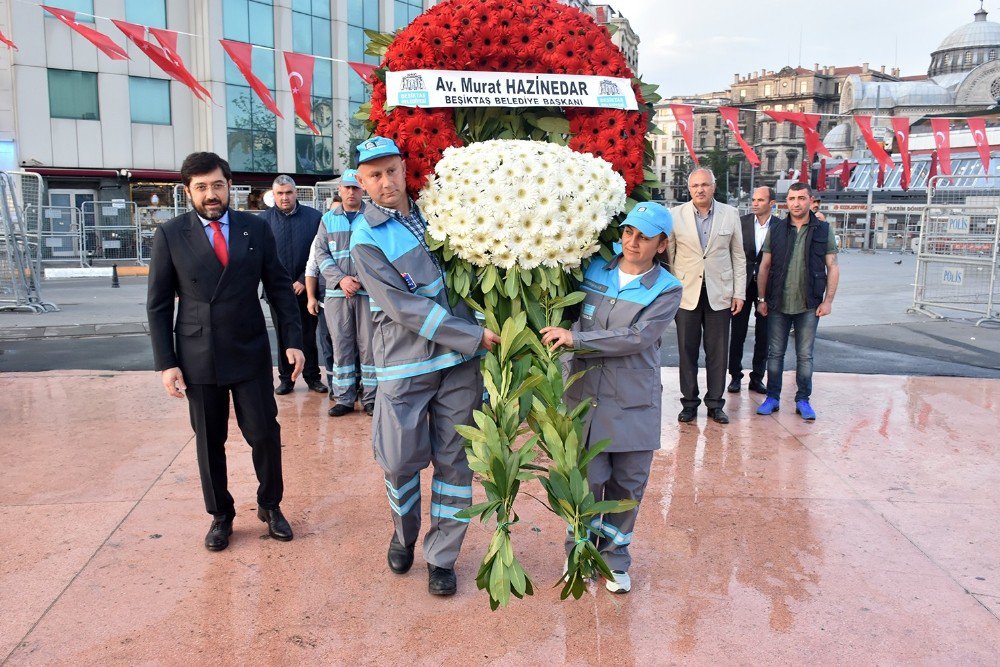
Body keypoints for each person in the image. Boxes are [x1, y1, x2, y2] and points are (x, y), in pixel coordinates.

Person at [349, 136, 500, 597]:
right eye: (375, 175)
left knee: (455, 465)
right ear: (361, 182)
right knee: (398, 462)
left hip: (459, 366)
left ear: (404, 169)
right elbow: (403, 307)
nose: (386, 181)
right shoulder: (366, 238)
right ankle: (404, 532)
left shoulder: (440, 212)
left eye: (392, 170)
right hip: (405, 366)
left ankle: (442, 558)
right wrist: (472, 335)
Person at [146, 152, 304, 551]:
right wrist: (167, 363)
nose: (211, 194)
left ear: (229, 185)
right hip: (198, 354)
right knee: (208, 440)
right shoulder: (170, 234)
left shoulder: (256, 228)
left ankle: (270, 505)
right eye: (201, 187)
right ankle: (221, 514)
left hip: (249, 349)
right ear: (188, 192)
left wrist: (292, 340)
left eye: (217, 185)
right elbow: (159, 304)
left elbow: (280, 287)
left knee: (265, 434)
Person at [541, 202, 682, 594]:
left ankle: (616, 561)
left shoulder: (667, 289)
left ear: (662, 243)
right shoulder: (594, 270)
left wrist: (577, 339)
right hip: (585, 395)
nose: (632, 242)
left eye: (644, 236)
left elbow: (638, 337)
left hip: (632, 400)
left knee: (627, 484)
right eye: (628, 233)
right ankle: (579, 555)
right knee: (586, 481)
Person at [668, 168, 746, 424]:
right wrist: (670, 290)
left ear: (714, 186)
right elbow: (670, 255)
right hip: (686, 294)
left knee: (717, 352)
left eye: (704, 184)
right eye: (694, 186)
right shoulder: (676, 215)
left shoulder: (730, 214)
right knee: (686, 350)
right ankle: (689, 403)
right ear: (689, 189)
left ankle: (715, 404)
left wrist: (739, 292)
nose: (699, 189)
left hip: (720, 294)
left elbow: (738, 256)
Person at [756, 182, 840, 421]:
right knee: (775, 354)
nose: (796, 203)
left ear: (810, 200)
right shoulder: (778, 229)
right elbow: (765, 266)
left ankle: (803, 399)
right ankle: (772, 397)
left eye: (801, 198)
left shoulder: (823, 230)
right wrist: (761, 299)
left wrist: (829, 301)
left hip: (809, 304)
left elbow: (832, 266)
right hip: (777, 303)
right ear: (787, 202)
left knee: (805, 356)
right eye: (791, 199)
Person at [314, 170, 377, 417]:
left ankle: (371, 398)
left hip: (366, 294)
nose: (351, 192)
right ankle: (344, 398)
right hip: (337, 295)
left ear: (363, 189)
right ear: (339, 190)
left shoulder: (372, 217)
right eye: (347, 188)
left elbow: (378, 254)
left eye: (356, 188)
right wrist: (341, 280)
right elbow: (321, 254)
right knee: (341, 347)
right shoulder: (328, 219)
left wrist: (360, 280)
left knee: (369, 347)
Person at [260, 175, 327, 396]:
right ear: (273, 195)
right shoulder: (263, 221)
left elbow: (319, 253)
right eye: (280, 193)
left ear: (296, 192)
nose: (285, 197)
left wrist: (301, 280)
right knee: (282, 336)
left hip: (306, 288)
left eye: (288, 192)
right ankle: (286, 380)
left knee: (308, 334)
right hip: (276, 293)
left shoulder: (314, 218)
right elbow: (261, 258)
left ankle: (312, 377)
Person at [728, 186, 775, 395]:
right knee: (737, 333)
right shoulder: (742, 222)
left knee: (763, 335)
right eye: (754, 199)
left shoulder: (780, 226)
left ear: (771, 203)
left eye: (760, 200)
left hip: (768, 287)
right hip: (742, 285)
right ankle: (735, 377)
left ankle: (757, 378)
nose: (755, 203)